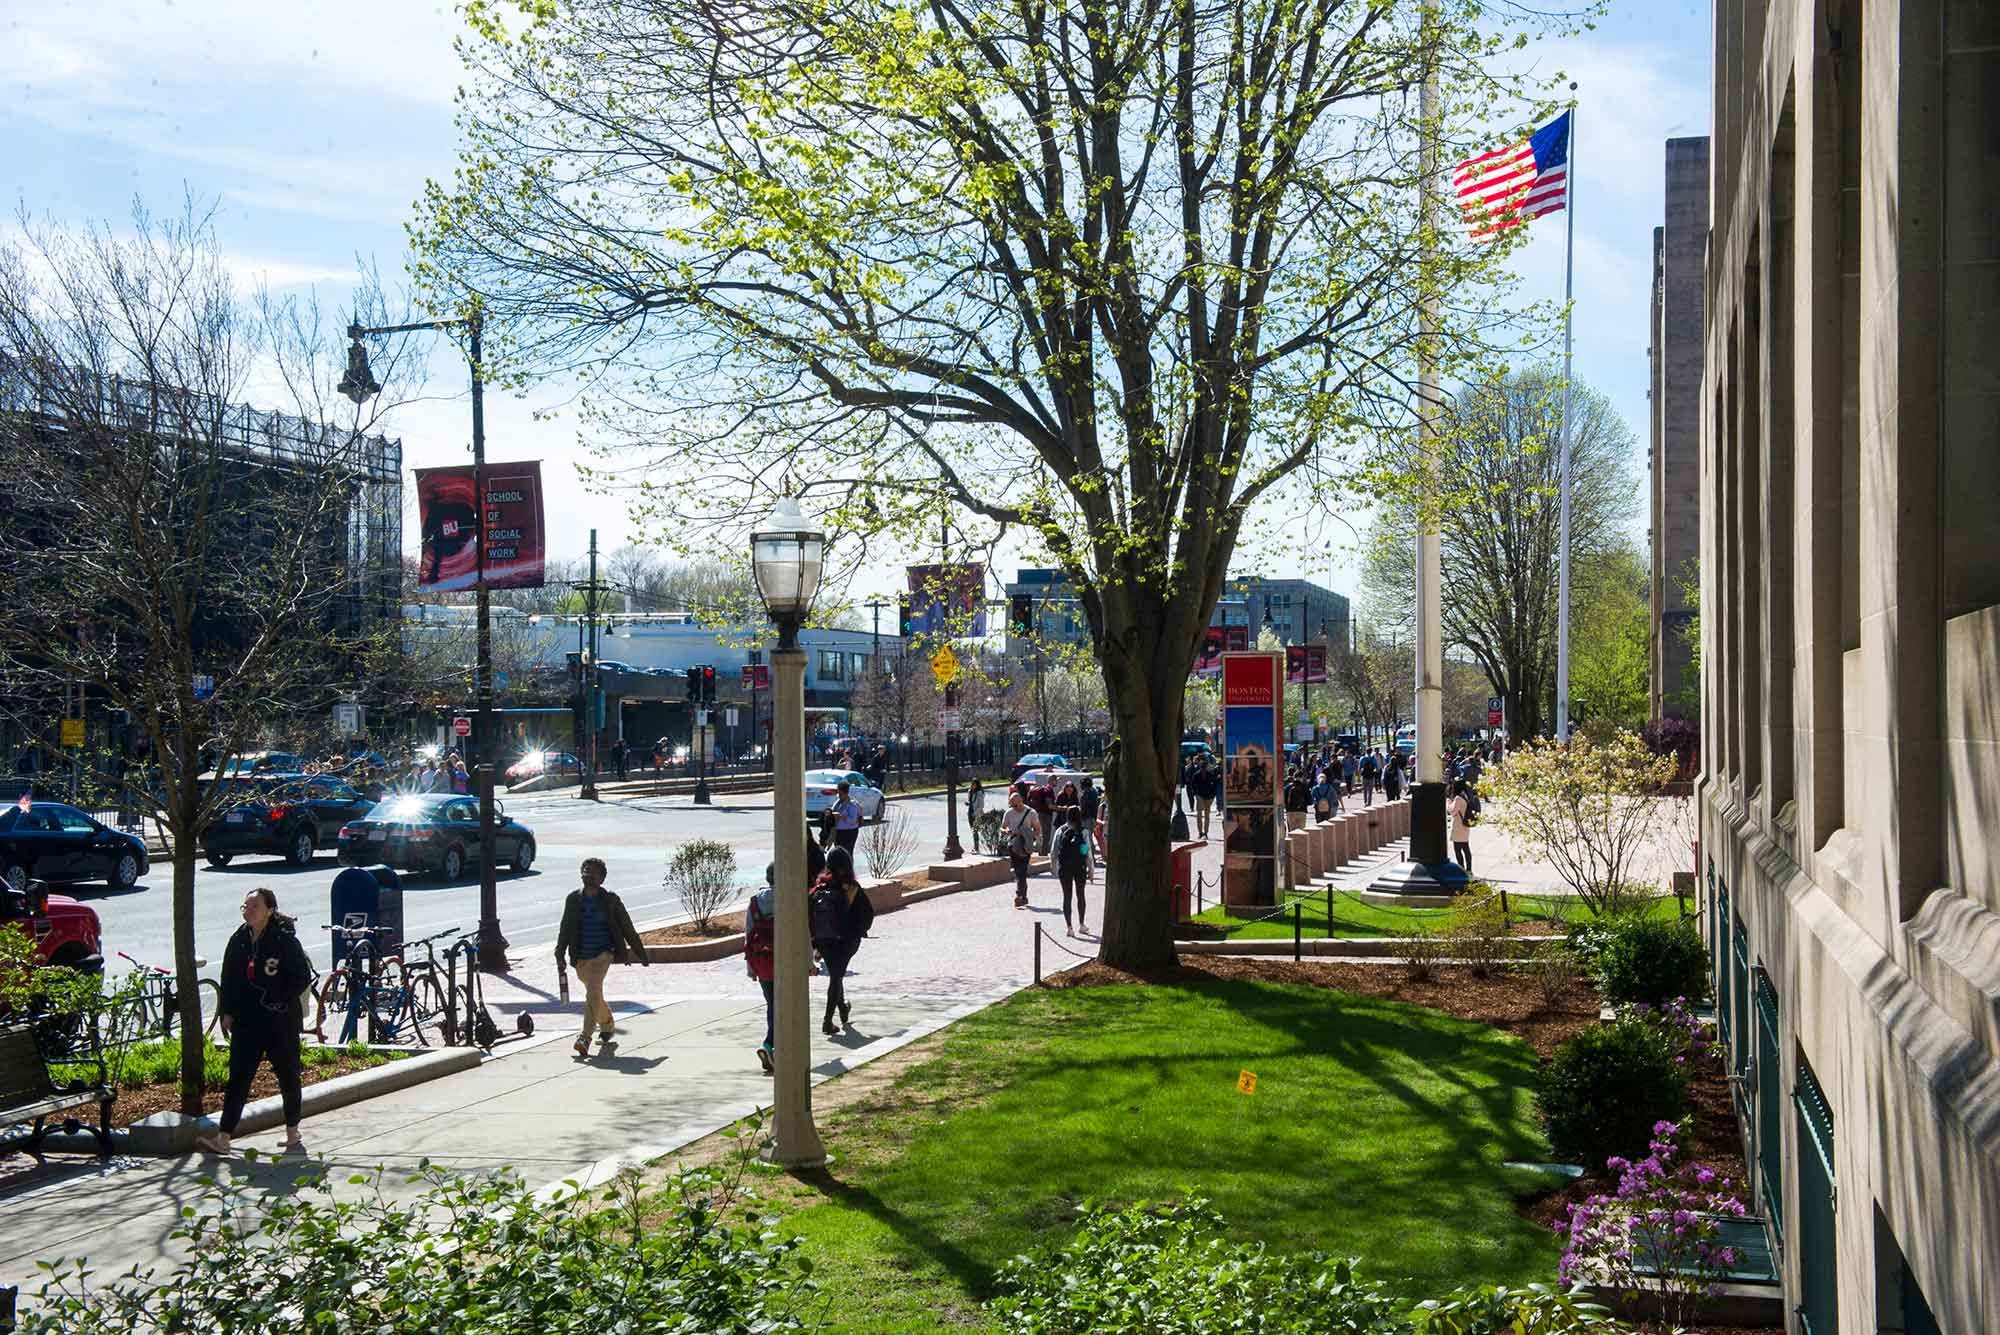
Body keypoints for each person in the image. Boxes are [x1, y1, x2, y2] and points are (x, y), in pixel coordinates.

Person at [197, 888, 313, 1157]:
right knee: (238, 1078)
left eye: (254, 907)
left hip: (279, 1020)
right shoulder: (238, 939)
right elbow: (229, 977)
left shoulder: (284, 940)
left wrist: (278, 998)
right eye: (245, 907)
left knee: (287, 1076)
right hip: (247, 1021)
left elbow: (301, 977)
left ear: (269, 910)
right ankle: (223, 1137)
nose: (248, 911)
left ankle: (292, 1132)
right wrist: (226, 1011)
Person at [554, 857, 651, 1057]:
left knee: (593, 990)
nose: (588, 875)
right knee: (594, 994)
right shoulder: (573, 899)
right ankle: (607, 1025)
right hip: (580, 957)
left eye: (594, 872)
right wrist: (560, 952)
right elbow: (565, 927)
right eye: (586, 871)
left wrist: (640, 953)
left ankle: (585, 1038)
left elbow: (627, 926)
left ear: (602, 878)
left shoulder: (610, 900)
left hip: (603, 954)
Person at [808, 846, 875, 1035]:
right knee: (836, 977)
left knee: (837, 974)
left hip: (824, 940)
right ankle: (827, 1021)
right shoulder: (852, 888)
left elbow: (809, 915)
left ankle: (843, 1009)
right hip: (846, 941)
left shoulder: (819, 888)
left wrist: (815, 942)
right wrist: (859, 931)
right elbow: (867, 914)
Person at [746, 865, 778, 1074]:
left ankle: (771, 1048)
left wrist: (750, 968)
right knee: (784, 1008)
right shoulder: (791, 897)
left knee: (772, 1005)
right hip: (785, 961)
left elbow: (748, 935)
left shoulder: (756, 901)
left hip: (762, 962)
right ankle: (769, 1045)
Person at [1052, 806, 1093, 937]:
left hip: (1064, 868)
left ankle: (1069, 927)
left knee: (1067, 897)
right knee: (1080, 895)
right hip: (1079, 867)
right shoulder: (1084, 831)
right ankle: (1081, 924)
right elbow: (1087, 852)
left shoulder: (1060, 830)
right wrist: (1090, 869)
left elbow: (1054, 851)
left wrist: (1054, 868)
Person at [1001, 788, 1041, 908]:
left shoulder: (1031, 813)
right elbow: (1002, 828)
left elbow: (1038, 830)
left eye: (1016, 805)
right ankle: (1023, 896)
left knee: (1022, 871)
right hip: (1013, 845)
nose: (1015, 807)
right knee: (1019, 872)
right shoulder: (1009, 813)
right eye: (1012, 805)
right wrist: (1006, 830)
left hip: (1025, 846)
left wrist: (1026, 834)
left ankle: (1020, 895)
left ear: (1021, 801)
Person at [831, 781, 863, 854]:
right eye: (838, 793)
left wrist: (841, 817)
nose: (839, 796)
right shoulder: (837, 803)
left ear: (846, 793)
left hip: (849, 832)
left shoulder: (852, 805)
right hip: (838, 832)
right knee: (838, 853)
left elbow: (853, 821)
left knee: (847, 853)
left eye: (840, 794)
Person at [1448, 781, 1473, 874]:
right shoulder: (1465, 796)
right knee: (1466, 848)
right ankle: (1469, 869)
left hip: (1458, 826)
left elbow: (1452, 811)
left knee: (1458, 849)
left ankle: (1461, 868)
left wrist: (1448, 803)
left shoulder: (1458, 798)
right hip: (1465, 825)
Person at [1190, 755, 1217, 840]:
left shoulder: (1210, 774)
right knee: (1199, 814)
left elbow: (1214, 785)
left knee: (1207, 815)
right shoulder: (1196, 775)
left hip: (1208, 796)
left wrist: (1213, 795)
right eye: (1202, 767)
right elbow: (1192, 785)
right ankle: (1200, 832)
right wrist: (1195, 793)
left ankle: (1205, 833)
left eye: (1204, 767)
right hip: (1200, 796)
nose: (1203, 769)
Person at [1078, 775, 1104, 863]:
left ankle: (1085, 857)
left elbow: (1084, 807)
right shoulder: (1094, 791)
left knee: (1085, 839)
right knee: (1089, 839)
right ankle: (1090, 857)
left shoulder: (1086, 793)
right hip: (1093, 818)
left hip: (1086, 818)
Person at [965, 777, 987, 853]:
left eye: (974, 784)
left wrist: (976, 813)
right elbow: (970, 801)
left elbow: (981, 805)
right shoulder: (970, 791)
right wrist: (968, 803)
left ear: (977, 785)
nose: (972, 785)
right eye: (972, 784)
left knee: (975, 830)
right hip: (970, 812)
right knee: (973, 830)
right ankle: (976, 847)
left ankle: (976, 847)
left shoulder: (979, 793)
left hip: (976, 813)